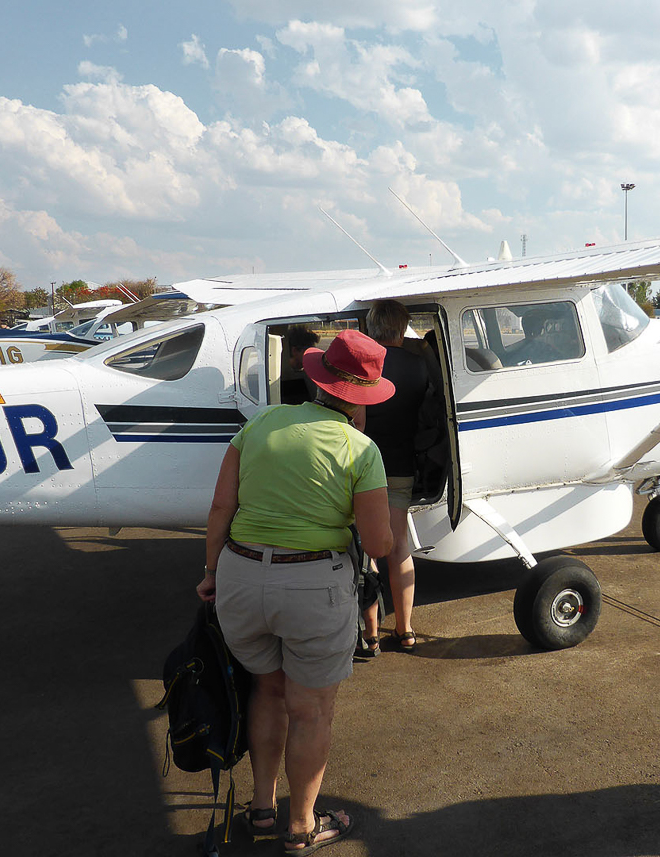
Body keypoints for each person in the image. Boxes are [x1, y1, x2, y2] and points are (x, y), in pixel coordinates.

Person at [196, 329, 394, 850]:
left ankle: (262, 809)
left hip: (240, 575)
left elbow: (221, 508)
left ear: (316, 379)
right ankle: (302, 826)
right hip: (312, 585)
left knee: (267, 689)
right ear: (362, 397)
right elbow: (379, 540)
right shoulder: (361, 448)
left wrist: (212, 571)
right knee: (311, 709)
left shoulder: (259, 424)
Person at [361, 300, 431, 653]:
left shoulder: (364, 365)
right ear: (402, 327)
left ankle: (370, 633)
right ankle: (405, 630)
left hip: (363, 467)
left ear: (373, 327)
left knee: (366, 548)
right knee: (399, 544)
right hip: (402, 463)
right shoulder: (419, 367)